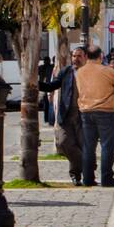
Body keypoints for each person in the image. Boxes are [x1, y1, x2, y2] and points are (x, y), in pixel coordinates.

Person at [75, 45, 114, 188]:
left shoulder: (80, 72)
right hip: (105, 111)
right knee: (108, 146)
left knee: (88, 146)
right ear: (100, 56)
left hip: (86, 111)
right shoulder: (107, 71)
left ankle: (88, 177)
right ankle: (106, 177)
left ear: (86, 56)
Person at [42, 47, 86, 185]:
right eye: (74, 56)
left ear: (85, 57)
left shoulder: (89, 73)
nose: (75, 59)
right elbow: (52, 86)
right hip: (65, 115)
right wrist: (35, 84)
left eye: (79, 56)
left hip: (83, 115)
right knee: (63, 143)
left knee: (81, 145)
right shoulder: (66, 71)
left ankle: (76, 175)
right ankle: (87, 164)